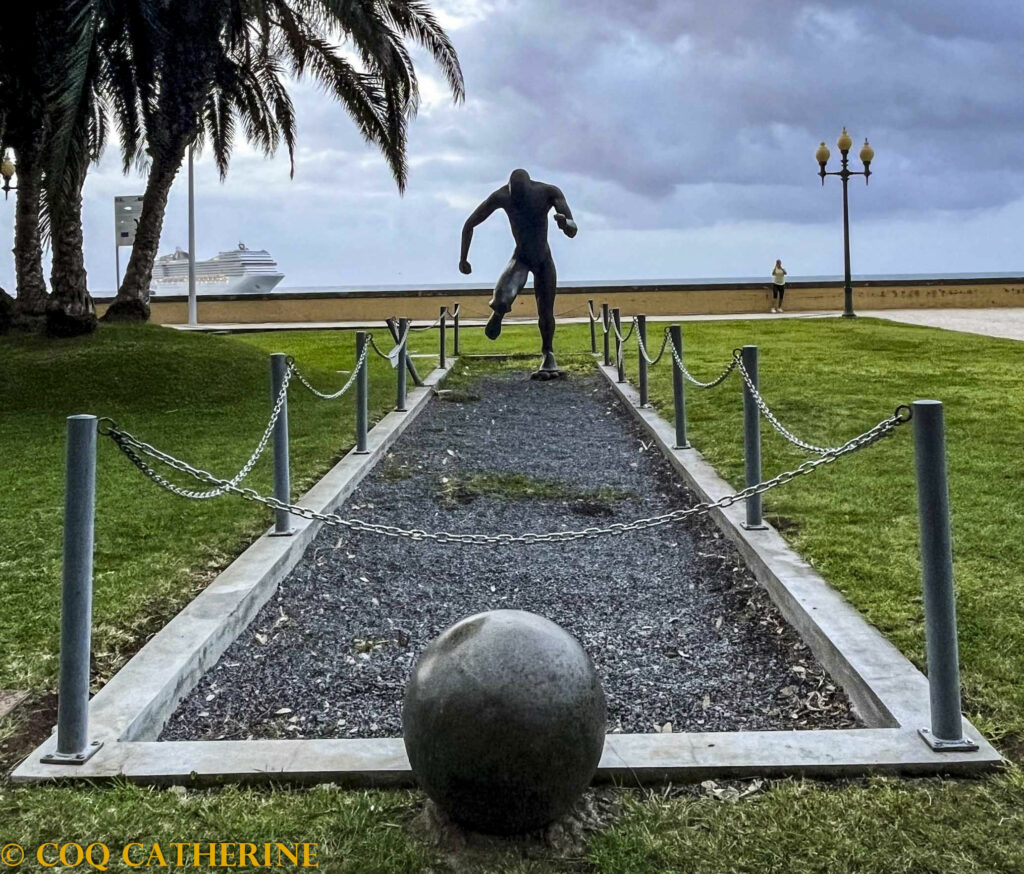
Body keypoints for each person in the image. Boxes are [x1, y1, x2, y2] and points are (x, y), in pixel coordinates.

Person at [459, 169, 578, 379]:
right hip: (521, 257)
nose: (519, 204)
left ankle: (548, 353)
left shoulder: (548, 192)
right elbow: (470, 224)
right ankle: (498, 312)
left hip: (543, 260)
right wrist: (463, 258)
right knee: (502, 296)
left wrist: (564, 223)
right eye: (516, 200)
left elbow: (573, 229)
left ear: (530, 189)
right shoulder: (502, 196)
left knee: (546, 311)